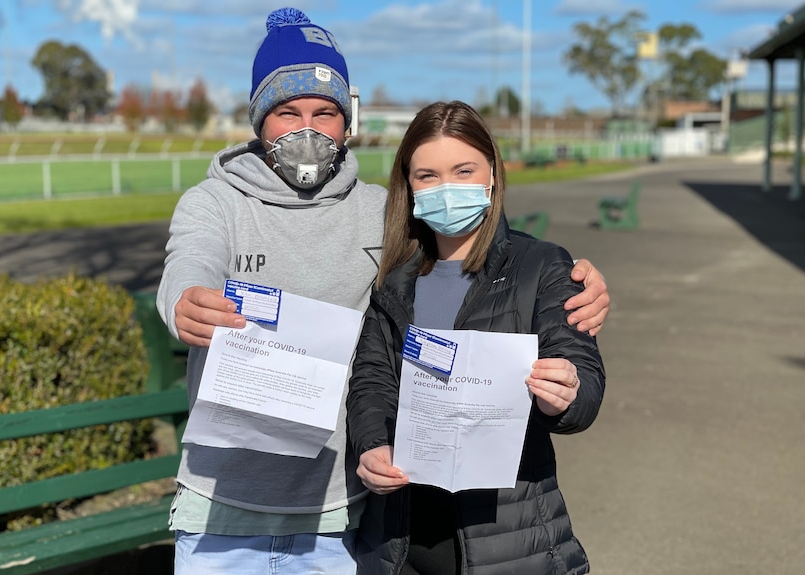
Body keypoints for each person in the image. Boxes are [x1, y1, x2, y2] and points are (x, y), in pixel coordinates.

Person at [157, 8, 609, 575]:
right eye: (286, 112)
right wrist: (184, 302)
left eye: (325, 112)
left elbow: (483, 248)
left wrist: (581, 280)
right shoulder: (214, 204)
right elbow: (187, 267)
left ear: (347, 121)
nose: (306, 128)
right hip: (224, 510)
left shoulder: (384, 215)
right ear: (257, 119)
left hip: (345, 513)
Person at [346, 100, 606, 575]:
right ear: (409, 186)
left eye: (463, 170)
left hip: (511, 542)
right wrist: (369, 446)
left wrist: (566, 394)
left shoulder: (542, 266)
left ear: (492, 174)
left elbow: (583, 378)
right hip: (399, 545)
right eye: (427, 176)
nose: (446, 189)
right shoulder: (394, 283)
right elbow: (371, 381)